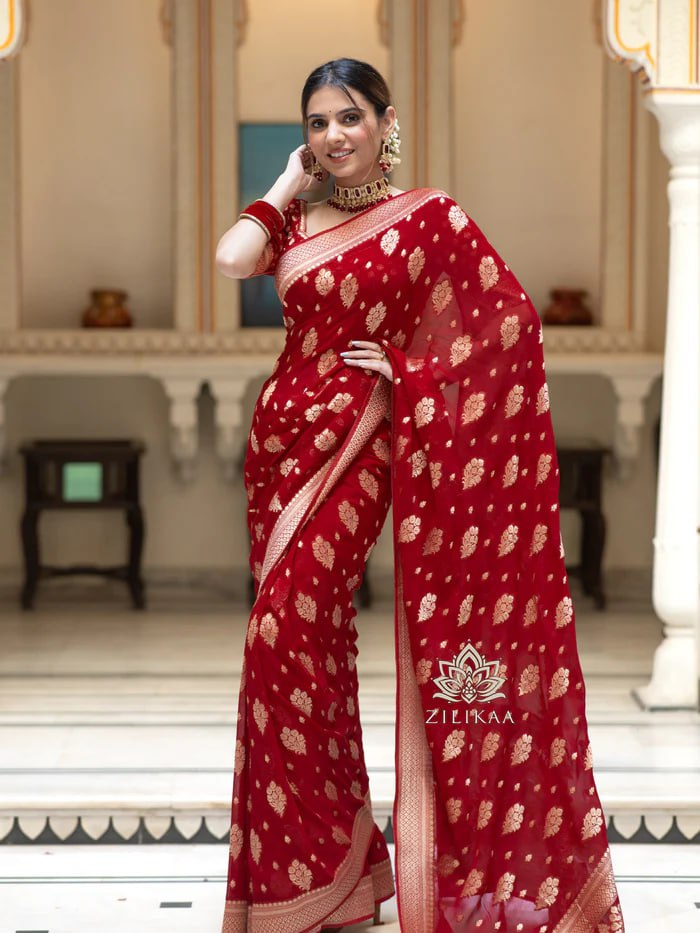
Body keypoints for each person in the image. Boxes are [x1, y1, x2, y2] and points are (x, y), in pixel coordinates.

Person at [215, 57, 625, 933]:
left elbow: (507, 326)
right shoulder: (297, 218)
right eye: (318, 122)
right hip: (282, 449)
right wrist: (287, 181)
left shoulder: (431, 218)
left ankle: (323, 875)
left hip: (360, 442)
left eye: (350, 117)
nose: (335, 135)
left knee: (282, 632)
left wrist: (408, 371)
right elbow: (231, 258)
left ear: (385, 121)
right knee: (303, 649)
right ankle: (333, 874)